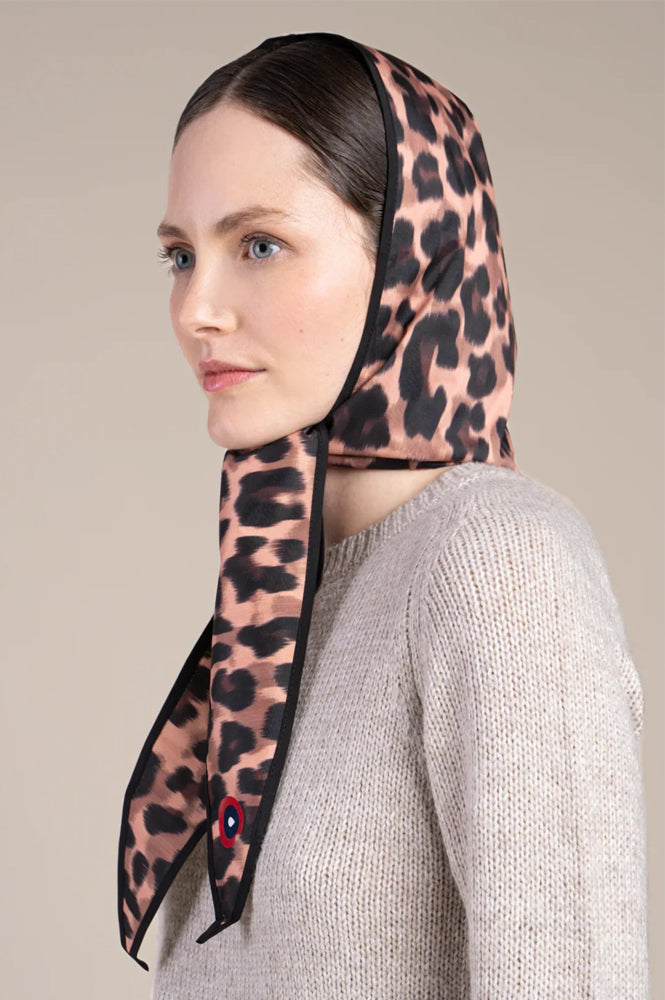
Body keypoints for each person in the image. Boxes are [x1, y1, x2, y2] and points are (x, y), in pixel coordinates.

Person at [117, 31, 649, 998]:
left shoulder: (496, 564)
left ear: (409, 259)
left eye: (259, 245)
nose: (196, 308)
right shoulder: (277, 602)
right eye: (180, 256)